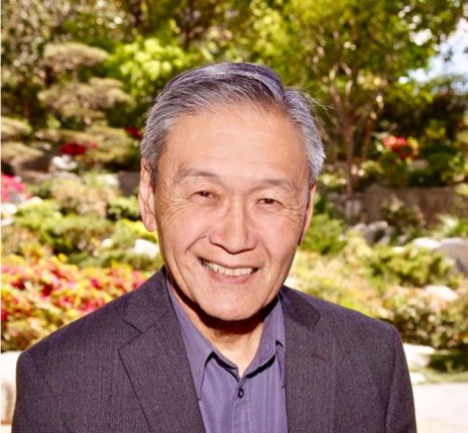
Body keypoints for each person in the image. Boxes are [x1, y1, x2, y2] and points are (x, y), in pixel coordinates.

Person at [13, 63, 416, 433]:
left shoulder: (372, 360)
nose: (235, 239)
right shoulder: (62, 381)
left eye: (269, 200)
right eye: (205, 194)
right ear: (149, 195)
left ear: (307, 209)